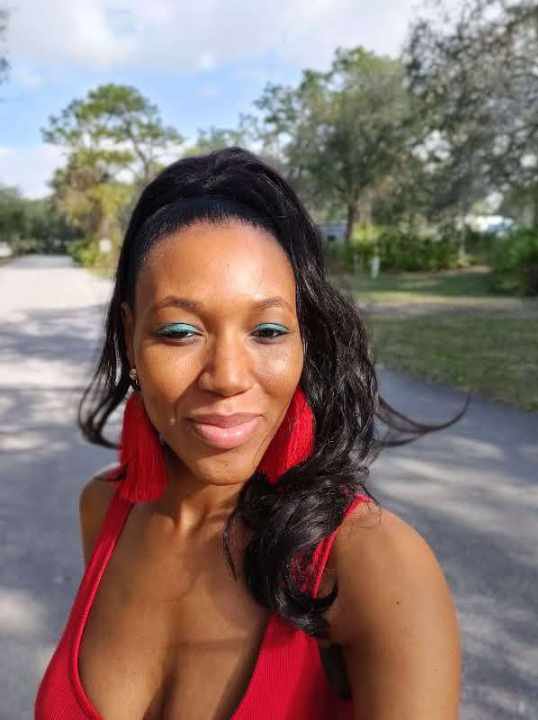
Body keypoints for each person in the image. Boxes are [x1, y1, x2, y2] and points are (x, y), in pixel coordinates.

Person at [35, 147, 466, 719]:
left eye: (267, 331)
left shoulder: (376, 565)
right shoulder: (102, 509)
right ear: (130, 337)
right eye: (180, 331)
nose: (228, 378)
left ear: (304, 340)